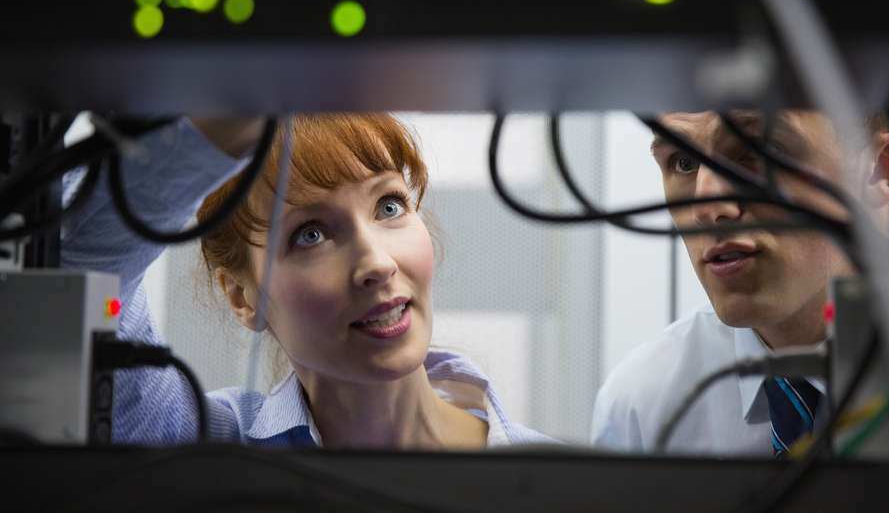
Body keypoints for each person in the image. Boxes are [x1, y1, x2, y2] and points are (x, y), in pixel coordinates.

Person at [62, 113, 549, 448]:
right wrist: (218, 124)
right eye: (311, 234)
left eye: (389, 205)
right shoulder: (210, 454)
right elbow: (79, 267)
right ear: (242, 296)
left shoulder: (557, 483)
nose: (376, 264)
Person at [591, 110, 889, 455]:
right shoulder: (641, 409)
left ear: (885, 168)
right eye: (684, 162)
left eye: (759, 150)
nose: (707, 206)